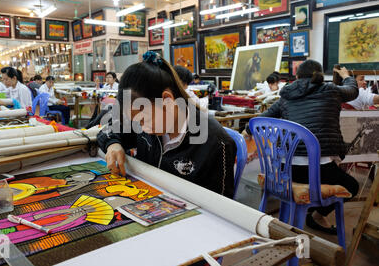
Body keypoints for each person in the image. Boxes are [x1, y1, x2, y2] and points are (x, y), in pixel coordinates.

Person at [97, 51, 238, 199]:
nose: (142, 128)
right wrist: (113, 144)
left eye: (144, 120)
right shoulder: (144, 124)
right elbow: (108, 130)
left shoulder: (216, 144)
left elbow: (220, 207)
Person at [244, 60, 359, 234]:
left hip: (284, 172)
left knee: (327, 170)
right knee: (352, 186)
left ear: (297, 77)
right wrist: (347, 77)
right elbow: (353, 91)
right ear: (320, 76)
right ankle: (317, 216)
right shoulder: (330, 90)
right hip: (320, 171)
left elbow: (257, 122)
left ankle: (310, 210)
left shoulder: (286, 96)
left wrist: (245, 131)